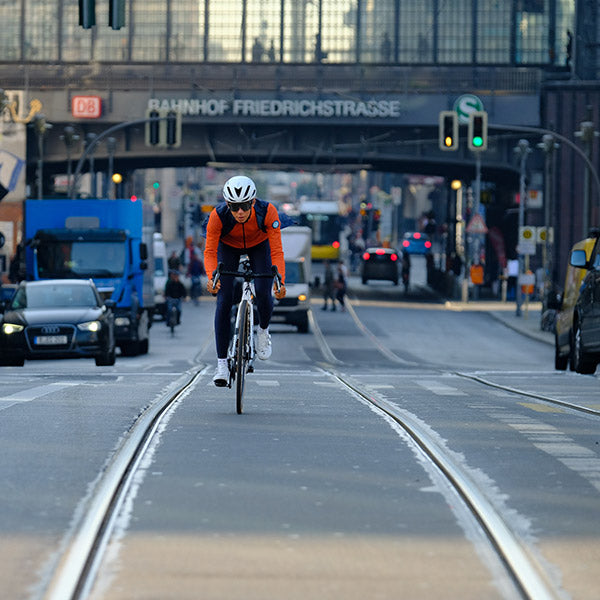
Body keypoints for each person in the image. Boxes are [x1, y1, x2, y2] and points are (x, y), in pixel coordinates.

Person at [205, 175, 287, 386]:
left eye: (244, 206)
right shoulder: (218, 216)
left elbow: (277, 250)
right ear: (227, 204)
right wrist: (212, 277)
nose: (239, 212)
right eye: (234, 207)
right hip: (228, 247)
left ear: (252, 202)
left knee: (263, 290)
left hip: (260, 245)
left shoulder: (267, 211)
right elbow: (210, 251)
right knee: (223, 302)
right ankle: (222, 364)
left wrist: (281, 281)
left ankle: (263, 331)